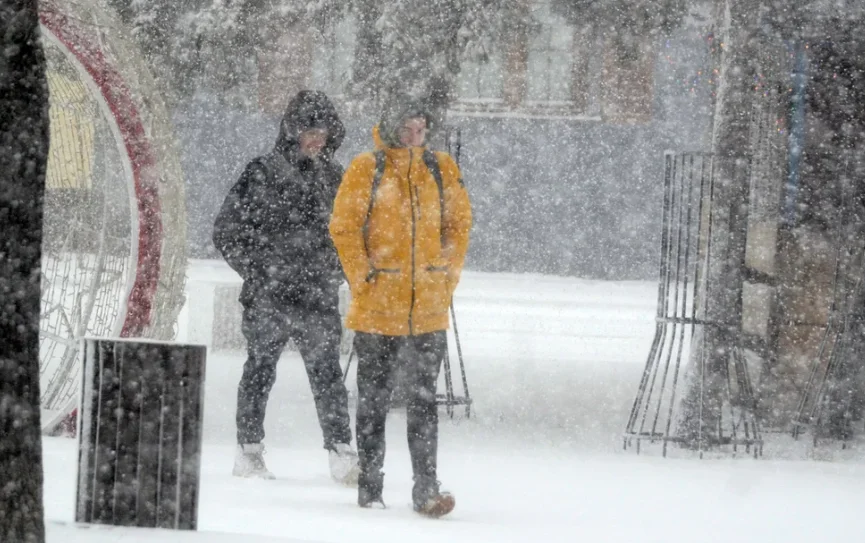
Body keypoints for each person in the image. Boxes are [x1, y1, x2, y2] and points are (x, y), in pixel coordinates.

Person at [329, 99, 472, 517]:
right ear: (392, 130)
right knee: (373, 402)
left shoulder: (441, 169)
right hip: (377, 311)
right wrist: (364, 276)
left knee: (424, 404)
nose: (415, 137)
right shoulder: (367, 168)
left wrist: (446, 273)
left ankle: (426, 490)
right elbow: (344, 228)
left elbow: (459, 225)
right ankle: (370, 488)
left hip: (427, 310)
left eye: (421, 130)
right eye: (408, 130)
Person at [213, 90, 359, 484]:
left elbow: (350, 234)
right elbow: (227, 231)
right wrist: (258, 271)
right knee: (260, 371)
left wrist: (344, 272)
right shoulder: (261, 172)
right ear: (292, 131)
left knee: (327, 374)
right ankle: (248, 451)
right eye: (309, 131)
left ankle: (342, 451)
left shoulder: (336, 178)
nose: (316, 140)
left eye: (323, 132)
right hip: (269, 296)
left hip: (317, 294)